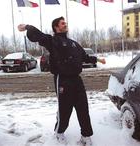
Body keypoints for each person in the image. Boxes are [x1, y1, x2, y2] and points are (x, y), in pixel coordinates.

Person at [18, 16, 106, 146]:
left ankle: (86, 136)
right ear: (56, 27)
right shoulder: (53, 41)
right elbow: (38, 35)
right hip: (63, 80)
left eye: (65, 23)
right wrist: (27, 27)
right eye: (62, 23)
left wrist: (97, 60)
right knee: (65, 109)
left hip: (77, 80)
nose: (65, 24)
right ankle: (59, 133)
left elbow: (84, 57)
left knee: (83, 108)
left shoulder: (74, 43)